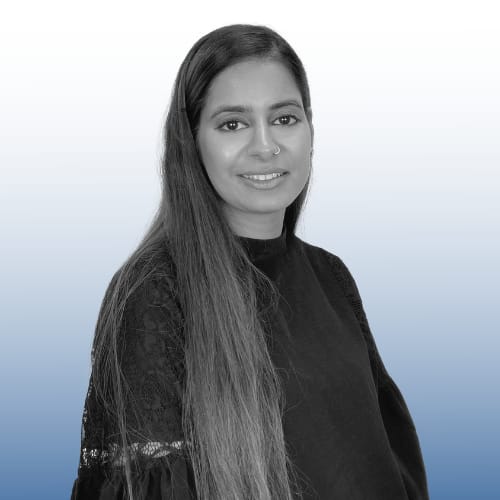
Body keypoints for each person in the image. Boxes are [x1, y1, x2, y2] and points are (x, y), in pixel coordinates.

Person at [70, 24, 429, 500]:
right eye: (232, 124)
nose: (265, 145)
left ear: (310, 128)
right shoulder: (155, 292)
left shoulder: (332, 277)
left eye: (284, 118)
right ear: (191, 141)